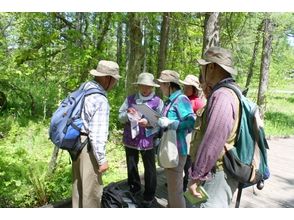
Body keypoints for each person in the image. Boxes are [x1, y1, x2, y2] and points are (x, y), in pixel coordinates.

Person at [188, 47, 240, 208]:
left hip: (217, 173)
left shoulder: (222, 95)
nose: (201, 70)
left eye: (203, 66)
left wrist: (196, 177)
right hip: (215, 172)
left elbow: (213, 141)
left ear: (212, 67)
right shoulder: (227, 92)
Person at [72, 60, 121, 208]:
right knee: (91, 194)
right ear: (107, 78)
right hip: (89, 148)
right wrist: (102, 160)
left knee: (78, 188)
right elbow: (97, 134)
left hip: (76, 143)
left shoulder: (84, 89)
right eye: (115, 80)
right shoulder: (100, 99)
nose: (115, 84)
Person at [118, 72, 164, 208]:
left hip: (148, 141)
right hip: (130, 139)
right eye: (143, 86)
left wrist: (149, 122)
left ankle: (149, 195)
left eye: (148, 86)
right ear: (138, 86)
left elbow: (161, 121)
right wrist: (128, 114)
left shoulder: (157, 101)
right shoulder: (130, 99)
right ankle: (134, 189)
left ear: (152, 87)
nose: (145, 89)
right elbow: (120, 117)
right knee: (132, 166)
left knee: (150, 169)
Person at [157, 70, 195, 208]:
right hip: (170, 147)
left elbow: (192, 122)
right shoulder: (170, 101)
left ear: (168, 84)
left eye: (161, 84)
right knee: (172, 189)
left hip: (177, 149)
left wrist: (173, 124)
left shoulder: (181, 99)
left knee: (175, 191)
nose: (160, 87)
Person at [179, 74, 205, 192]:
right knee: (178, 160)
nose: (186, 88)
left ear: (194, 88)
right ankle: (177, 183)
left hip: (190, 136)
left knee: (187, 163)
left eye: (188, 86)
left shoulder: (197, 102)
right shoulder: (181, 98)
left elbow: (202, 120)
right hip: (179, 134)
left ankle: (185, 185)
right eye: (185, 86)